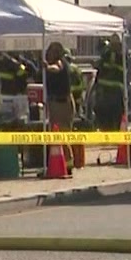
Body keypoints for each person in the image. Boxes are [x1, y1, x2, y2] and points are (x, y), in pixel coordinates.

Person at [44, 42, 84, 171]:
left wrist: (48, 67)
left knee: (63, 133)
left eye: (53, 51)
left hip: (62, 103)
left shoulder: (61, 63)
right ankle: (59, 162)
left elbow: (56, 68)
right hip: (54, 103)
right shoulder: (52, 65)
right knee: (55, 134)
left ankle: (68, 163)